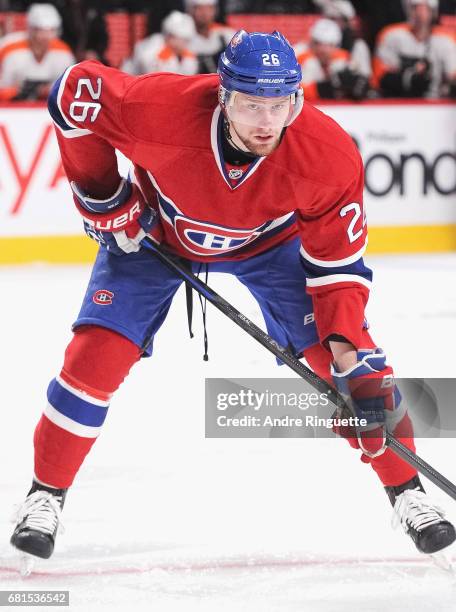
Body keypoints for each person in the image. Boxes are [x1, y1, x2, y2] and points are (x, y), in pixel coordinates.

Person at [10, 30, 455, 562]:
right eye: (250, 105)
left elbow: (336, 269)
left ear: (296, 99)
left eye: (279, 105)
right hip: (159, 233)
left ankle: (409, 494)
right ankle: (45, 496)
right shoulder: (160, 109)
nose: (266, 122)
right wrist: (103, 195)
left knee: (360, 373)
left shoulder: (328, 155)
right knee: (94, 358)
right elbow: (74, 92)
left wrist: (344, 354)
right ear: (222, 96)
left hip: (271, 246)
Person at [373, 0, 456, 98]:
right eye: (415, 8)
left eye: (424, 8)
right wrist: (408, 78)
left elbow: (452, 76)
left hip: (434, 102)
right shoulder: (392, 36)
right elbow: (381, 78)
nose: (419, 13)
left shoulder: (445, 41)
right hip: (398, 101)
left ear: (433, 12)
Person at [0, 3, 75, 101]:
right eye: (40, 30)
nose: (45, 37)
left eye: (51, 31)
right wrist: (17, 92)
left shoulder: (63, 51)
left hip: (48, 109)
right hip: (10, 109)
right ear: (30, 29)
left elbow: (71, 89)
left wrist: (50, 91)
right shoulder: (8, 48)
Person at [297, 18, 369, 100]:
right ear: (312, 42)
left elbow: (360, 81)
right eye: (319, 44)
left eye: (330, 45)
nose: (323, 50)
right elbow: (292, 92)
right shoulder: (300, 54)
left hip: (330, 108)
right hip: (302, 106)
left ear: (336, 45)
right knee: (312, 64)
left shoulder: (341, 57)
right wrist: (323, 89)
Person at [122, 10, 198, 76]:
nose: (186, 44)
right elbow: (149, 71)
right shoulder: (153, 44)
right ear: (171, 37)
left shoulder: (185, 52)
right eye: (184, 40)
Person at [185, 0, 234, 73]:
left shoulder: (226, 34)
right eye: (200, 9)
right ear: (191, 11)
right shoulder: (183, 38)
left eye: (209, 9)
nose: (204, 14)